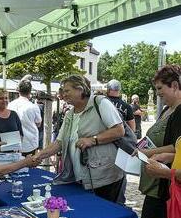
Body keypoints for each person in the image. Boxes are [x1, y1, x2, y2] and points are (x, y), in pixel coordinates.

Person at [31, 75, 125, 203]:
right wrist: (39, 155)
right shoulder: (70, 113)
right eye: (62, 91)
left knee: (108, 213)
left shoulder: (101, 102)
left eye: (67, 90)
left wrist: (93, 139)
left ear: (80, 89)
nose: (63, 94)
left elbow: (119, 131)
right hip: (81, 177)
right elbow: (59, 143)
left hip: (106, 177)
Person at [138, 65, 181, 218]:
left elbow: (174, 146)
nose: (158, 94)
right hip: (159, 181)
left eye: (160, 89)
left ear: (175, 86)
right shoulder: (167, 109)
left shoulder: (179, 111)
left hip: (166, 186)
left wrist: (149, 152)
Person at [8, 80, 42, 156]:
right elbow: (38, 123)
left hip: (12, 143)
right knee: (29, 166)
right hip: (29, 143)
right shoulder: (33, 106)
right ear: (30, 92)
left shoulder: (10, 105)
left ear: (18, 91)